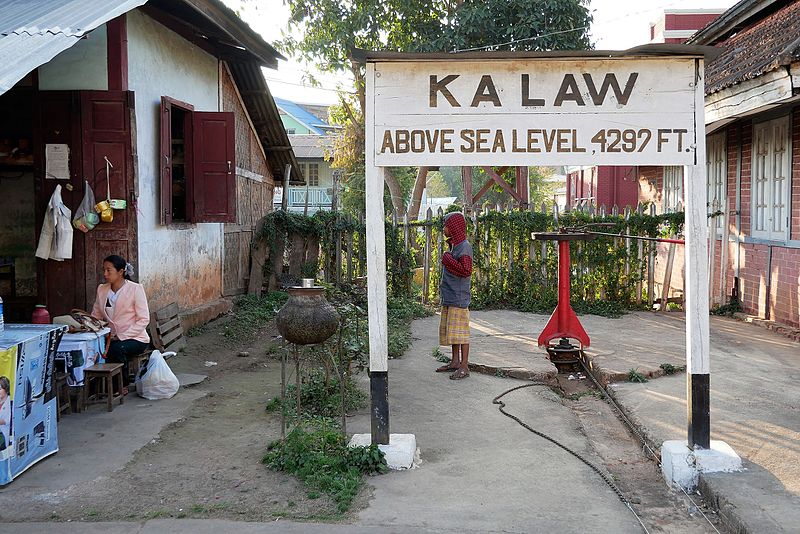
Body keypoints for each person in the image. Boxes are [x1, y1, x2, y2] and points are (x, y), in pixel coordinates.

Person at [91, 255, 151, 392]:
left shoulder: (136, 289)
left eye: (108, 270)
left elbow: (144, 320)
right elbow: (96, 315)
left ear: (121, 271)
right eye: (104, 270)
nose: (105, 274)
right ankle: (96, 387)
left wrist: (122, 335)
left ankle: (121, 385)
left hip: (136, 338)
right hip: (111, 338)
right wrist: (91, 326)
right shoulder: (102, 289)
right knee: (95, 349)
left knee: (116, 349)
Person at [435, 212, 473, 380]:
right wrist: (448, 257)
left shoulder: (464, 247)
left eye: (446, 226)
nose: (444, 229)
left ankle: (464, 366)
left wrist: (448, 259)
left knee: (462, 333)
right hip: (450, 296)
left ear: (454, 227)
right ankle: (455, 362)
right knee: (453, 332)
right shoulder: (454, 246)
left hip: (458, 298)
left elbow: (466, 270)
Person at [0, 376, 11, 452]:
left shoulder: (10, 403)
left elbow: (7, 421)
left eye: (0, 389)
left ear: (6, 389)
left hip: (3, 437)